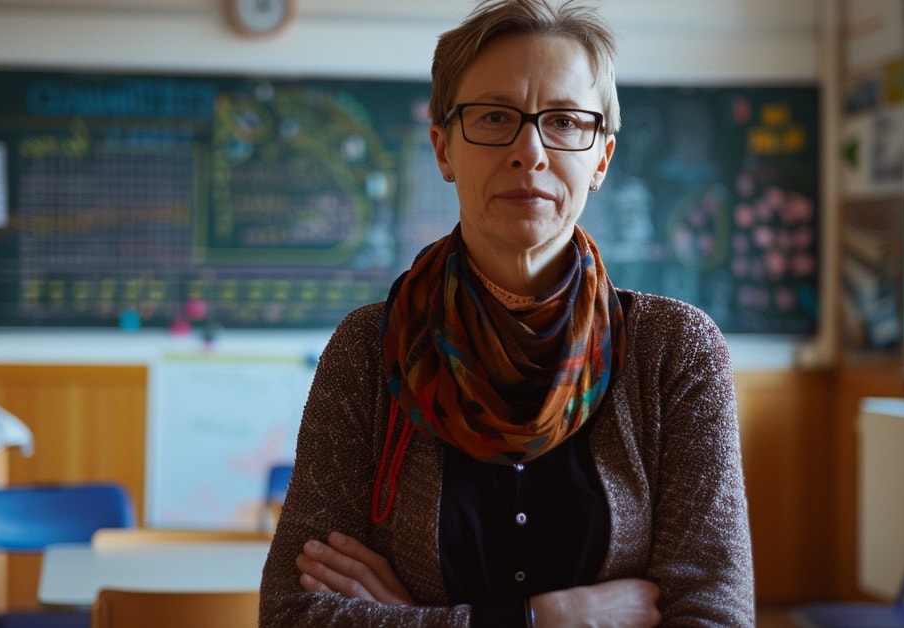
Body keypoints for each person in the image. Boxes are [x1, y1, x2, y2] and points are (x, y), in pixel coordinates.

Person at [258, 0, 754, 626]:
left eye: (566, 121)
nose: (530, 151)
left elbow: (714, 615)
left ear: (600, 157)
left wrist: (414, 618)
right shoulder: (367, 348)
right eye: (494, 117)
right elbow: (292, 613)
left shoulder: (675, 350)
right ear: (443, 149)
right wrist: (550, 618)